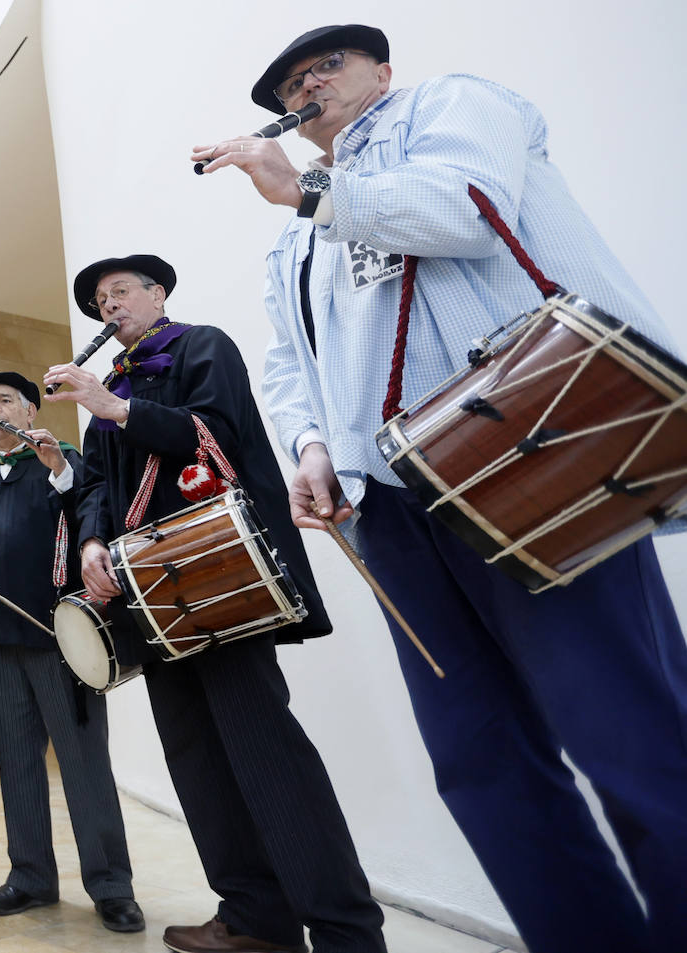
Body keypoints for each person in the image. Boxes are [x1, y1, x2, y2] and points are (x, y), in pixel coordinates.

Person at [192, 23, 687, 953]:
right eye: (293, 83)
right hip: (391, 509)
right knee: (479, 758)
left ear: (383, 70)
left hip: (532, 460)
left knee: (629, 734)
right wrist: (308, 448)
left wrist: (308, 188)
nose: (311, 86)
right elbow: (290, 364)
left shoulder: (449, 107)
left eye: (328, 66)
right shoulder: (294, 244)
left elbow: (467, 208)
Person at [43, 255, 386, 953]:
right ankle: (255, 916)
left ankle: (348, 931)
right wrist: (91, 544)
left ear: (157, 293)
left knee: (268, 756)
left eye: (122, 293)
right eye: (100, 300)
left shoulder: (201, 346)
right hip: (153, 600)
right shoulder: (109, 389)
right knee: (197, 760)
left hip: (221, 581)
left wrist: (112, 407)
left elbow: (217, 437)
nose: (110, 307)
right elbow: (94, 492)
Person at [0, 372, 144, 934]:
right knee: (17, 763)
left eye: (6, 400)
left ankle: (110, 886)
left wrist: (58, 469)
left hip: (59, 638)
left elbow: (91, 505)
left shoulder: (60, 460)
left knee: (82, 761)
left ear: (29, 412)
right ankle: (30, 877)